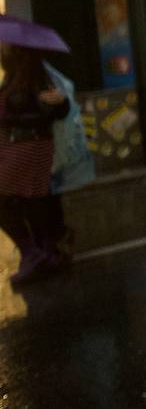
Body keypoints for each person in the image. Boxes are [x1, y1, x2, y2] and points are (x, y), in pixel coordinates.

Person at [0, 43, 72, 286]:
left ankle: (33, 252)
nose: (1, 49)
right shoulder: (12, 77)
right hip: (17, 147)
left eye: (4, 46)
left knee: (10, 199)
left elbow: (53, 113)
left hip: (30, 146)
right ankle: (45, 251)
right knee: (33, 200)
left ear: (18, 50)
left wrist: (9, 119)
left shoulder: (36, 78)